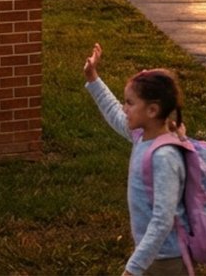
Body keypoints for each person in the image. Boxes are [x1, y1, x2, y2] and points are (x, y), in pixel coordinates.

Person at [81, 43, 189, 276]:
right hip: (152, 254)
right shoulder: (141, 136)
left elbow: (163, 220)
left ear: (152, 110)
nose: (124, 108)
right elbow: (114, 112)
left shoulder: (165, 156)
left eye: (130, 103)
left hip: (167, 261)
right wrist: (93, 78)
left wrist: (133, 268)